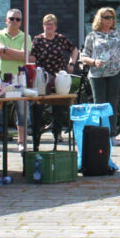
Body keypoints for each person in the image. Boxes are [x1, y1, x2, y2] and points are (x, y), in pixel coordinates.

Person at [29, 13, 78, 148]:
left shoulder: (61, 39)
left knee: (58, 108)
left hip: (58, 77)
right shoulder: (38, 40)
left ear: (55, 26)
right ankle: (36, 138)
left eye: (51, 24)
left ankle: (57, 135)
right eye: (46, 24)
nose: (48, 27)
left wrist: (71, 64)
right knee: (38, 108)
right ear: (43, 26)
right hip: (42, 78)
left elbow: (74, 50)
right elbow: (32, 57)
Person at [80, 7, 120, 138]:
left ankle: (112, 134)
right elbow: (84, 55)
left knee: (112, 103)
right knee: (99, 104)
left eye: (112, 17)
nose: (109, 20)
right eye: (107, 17)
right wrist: (94, 61)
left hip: (115, 72)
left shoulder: (118, 34)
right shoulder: (92, 35)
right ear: (100, 19)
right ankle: (100, 135)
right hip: (97, 74)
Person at [0, 8, 31, 147]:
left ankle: (21, 142)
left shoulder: (26, 37)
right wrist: (18, 54)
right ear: (6, 20)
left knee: (22, 112)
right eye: (11, 18)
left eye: (18, 19)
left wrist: (6, 50)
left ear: (21, 22)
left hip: (19, 79)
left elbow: (24, 56)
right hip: (1, 79)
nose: (14, 21)